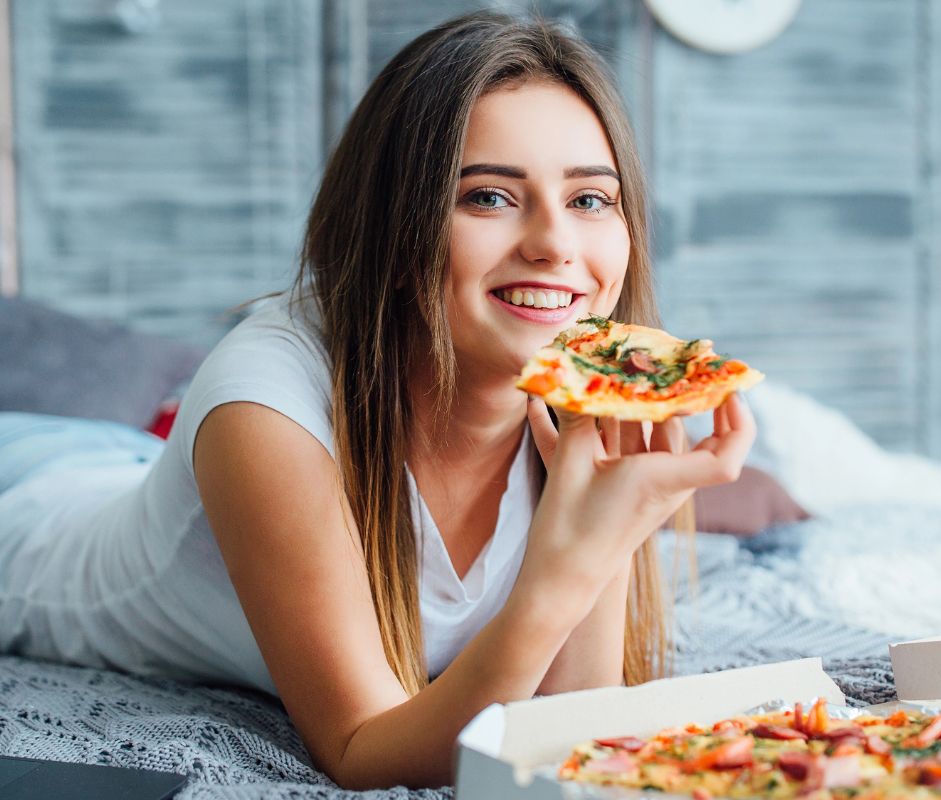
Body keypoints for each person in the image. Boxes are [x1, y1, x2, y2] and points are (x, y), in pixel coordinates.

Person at [0, 11, 755, 790]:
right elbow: (364, 752)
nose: (556, 244)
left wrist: (605, 527)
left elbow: (572, 725)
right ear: (396, 229)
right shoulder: (260, 411)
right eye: (491, 197)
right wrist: (578, 559)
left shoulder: (595, 395)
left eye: (591, 201)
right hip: (28, 506)